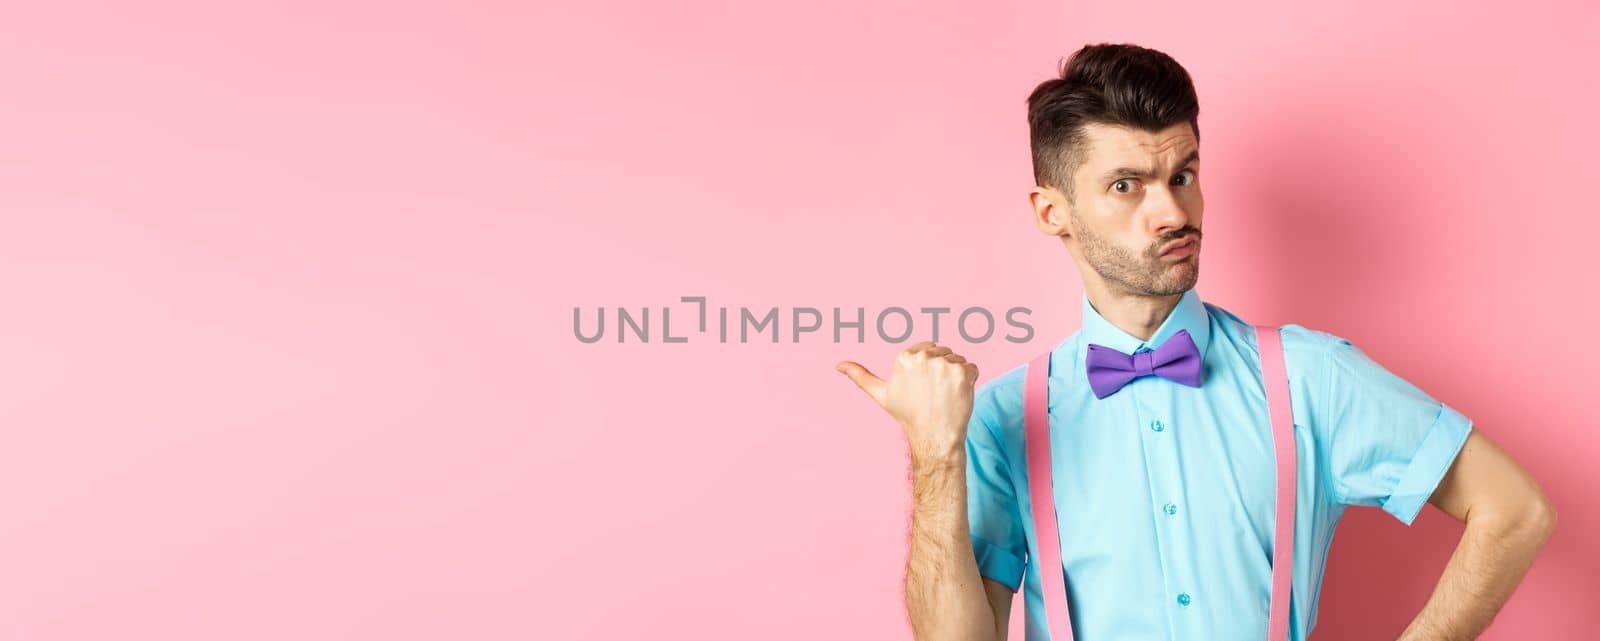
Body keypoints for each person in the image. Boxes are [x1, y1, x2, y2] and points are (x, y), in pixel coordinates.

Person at [835, 43, 1556, 641]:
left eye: (1183, 175)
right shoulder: (1001, 419)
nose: (1173, 210)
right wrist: (936, 455)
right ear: (1052, 211)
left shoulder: (1311, 378)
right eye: (1127, 185)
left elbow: (1514, 509)